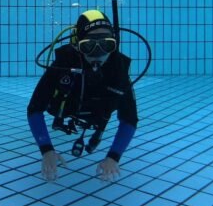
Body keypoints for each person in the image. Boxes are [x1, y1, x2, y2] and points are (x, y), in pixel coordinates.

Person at [27, 10, 138, 182]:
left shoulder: (118, 70)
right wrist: (46, 150)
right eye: (88, 45)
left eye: (106, 45)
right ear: (77, 45)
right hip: (65, 108)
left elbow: (129, 119)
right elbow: (34, 109)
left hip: (98, 114)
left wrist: (113, 157)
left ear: (114, 44)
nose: (98, 53)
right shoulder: (63, 64)